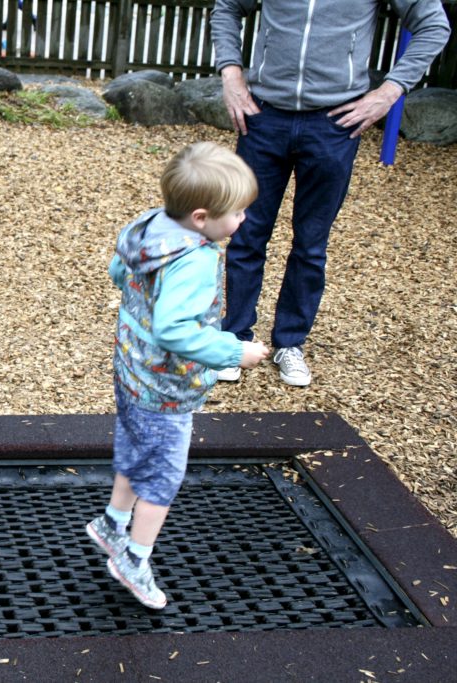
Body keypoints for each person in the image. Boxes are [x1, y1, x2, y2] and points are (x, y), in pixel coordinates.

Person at [210, 0, 450, 387]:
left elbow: (433, 25)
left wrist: (390, 92)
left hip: (334, 123)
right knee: (245, 234)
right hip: (264, 115)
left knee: (310, 242)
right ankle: (234, 339)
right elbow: (227, 8)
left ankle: (290, 343)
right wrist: (231, 74)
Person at [86, 142, 270, 609]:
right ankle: (133, 558)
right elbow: (173, 329)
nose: (243, 220)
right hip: (165, 389)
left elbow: (118, 270)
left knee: (134, 448)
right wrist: (234, 352)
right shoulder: (197, 258)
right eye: (238, 213)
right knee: (162, 478)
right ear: (203, 217)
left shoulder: (150, 224)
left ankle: (111, 521)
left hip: (131, 369)